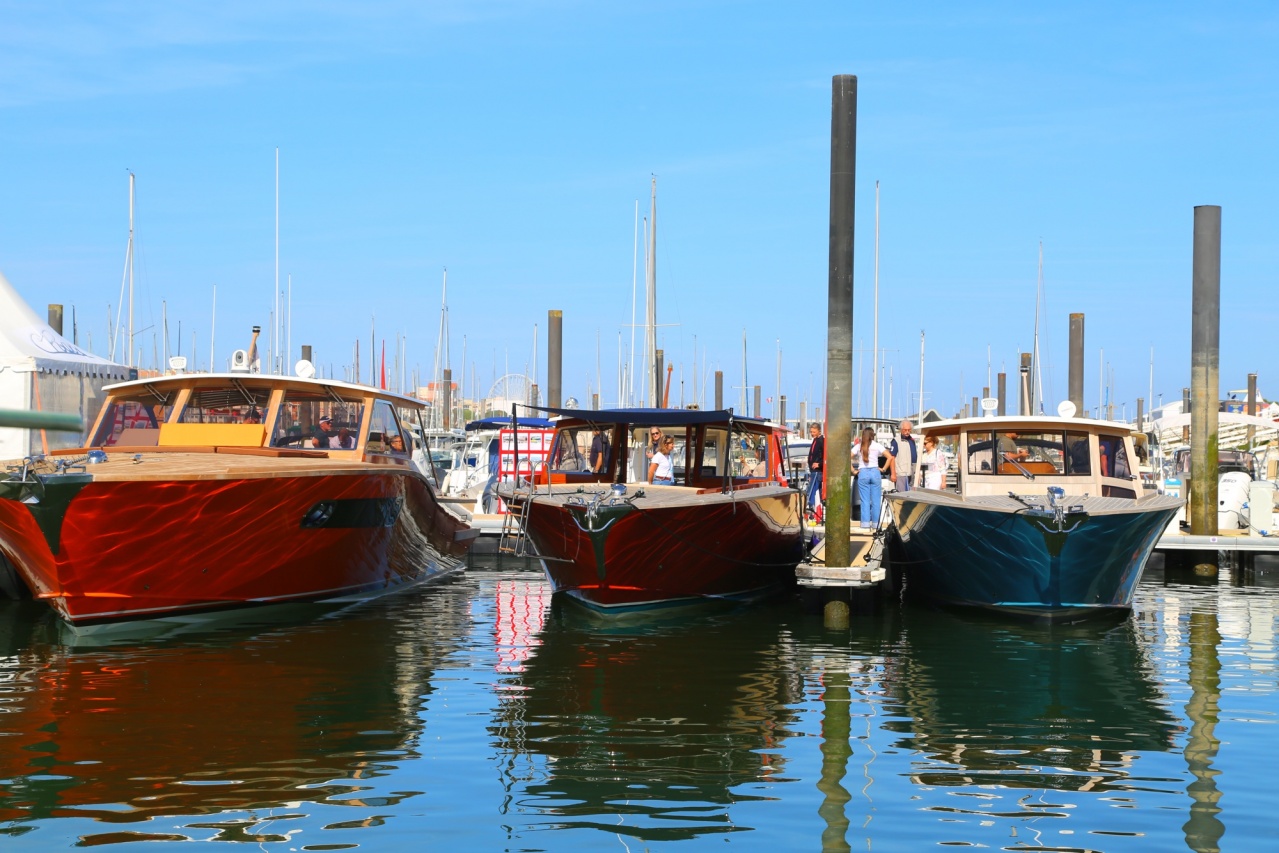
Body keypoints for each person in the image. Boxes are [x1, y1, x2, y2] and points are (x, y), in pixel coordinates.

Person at [851, 426, 894, 529]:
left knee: (864, 500)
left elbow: (848, 457)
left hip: (863, 473)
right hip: (875, 472)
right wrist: (883, 469)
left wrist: (853, 471)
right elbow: (890, 457)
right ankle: (876, 524)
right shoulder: (877, 445)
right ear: (872, 436)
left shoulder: (858, 446)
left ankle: (865, 524)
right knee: (876, 501)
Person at [889, 419, 918, 492]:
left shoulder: (912, 440)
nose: (907, 432)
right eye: (905, 430)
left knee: (912, 494)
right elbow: (892, 458)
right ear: (901, 430)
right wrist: (893, 473)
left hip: (911, 473)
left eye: (909, 430)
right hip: (901, 473)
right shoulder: (896, 441)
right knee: (902, 494)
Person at [806, 423, 825, 514]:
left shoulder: (821, 441)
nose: (812, 434)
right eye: (811, 432)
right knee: (813, 490)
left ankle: (811, 508)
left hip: (817, 471)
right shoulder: (815, 440)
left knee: (812, 490)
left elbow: (825, 455)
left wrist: (819, 464)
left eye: (814, 432)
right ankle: (814, 510)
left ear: (819, 431)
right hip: (813, 470)